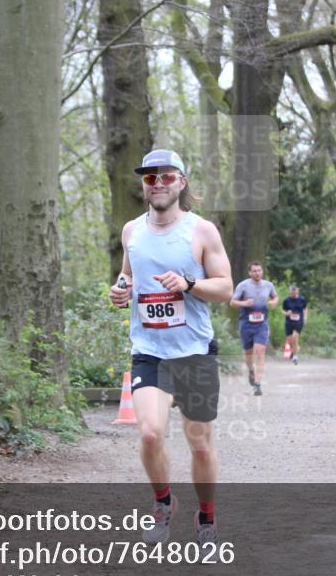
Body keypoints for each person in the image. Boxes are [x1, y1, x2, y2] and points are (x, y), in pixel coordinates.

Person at [108, 149, 233, 551]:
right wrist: (120, 290)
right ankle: (163, 503)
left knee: (199, 443)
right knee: (148, 433)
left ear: (181, 182)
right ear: (143, 186)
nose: (157, 184)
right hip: (150, 350)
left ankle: (207, 519)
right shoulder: (132, 231)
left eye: (166, 177)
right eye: (150, 178)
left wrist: (189, 284)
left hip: (194, 351)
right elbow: (128, 275)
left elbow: (226, 288)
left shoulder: (202, 231)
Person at [229, 262, 278, 396]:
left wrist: (274, 302)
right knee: (248, 353)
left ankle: (257, 384)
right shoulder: (243, 286)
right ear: (250, 273)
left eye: (259, 270)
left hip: (262, 324)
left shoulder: (268, 285)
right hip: (246, 323)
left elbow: (275, 296)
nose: (257, 273)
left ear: (262, 271)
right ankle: (251, 370)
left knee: (260, 351)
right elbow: (232, 302)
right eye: (254, 271)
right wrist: (244, 303)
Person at [282, 285, 308, 365]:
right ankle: (295, 349)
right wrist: (286, 313)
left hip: (298, 321)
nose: (293, 293)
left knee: (295, 337)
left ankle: (295, 357)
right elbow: (282, 311)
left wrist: (305, 318)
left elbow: (305, 309)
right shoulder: (286, 300)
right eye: (292, 291)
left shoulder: (302, 299)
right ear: (290, 292)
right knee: (289, 340)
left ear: (298, 291)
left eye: (295, 291)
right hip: (289, 322)